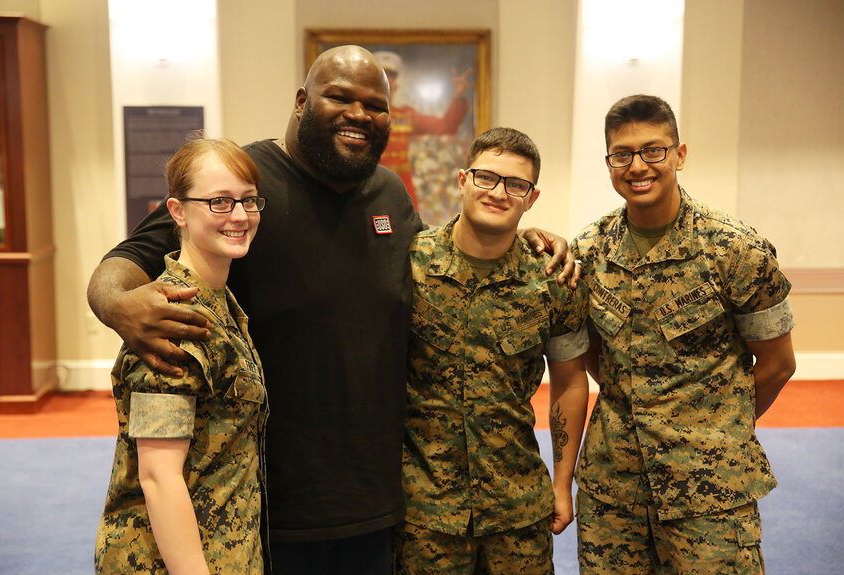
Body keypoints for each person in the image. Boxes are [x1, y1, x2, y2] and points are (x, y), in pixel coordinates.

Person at [87, 45, 575, 574]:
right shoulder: (247, 187)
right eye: (339, 97)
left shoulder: (389, 192)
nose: (359, 115)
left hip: (380, 501)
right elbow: (130, 257)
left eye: (375, 105)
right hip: (272, 506)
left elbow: (440, 259)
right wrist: (116, 303)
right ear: (301, 101)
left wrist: (517, 235)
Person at [571, 94, 797, 574]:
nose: (638, 166)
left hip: (710, 491)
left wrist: (718, 428)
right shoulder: (589, 251)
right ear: (608, 162)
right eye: (622, 154)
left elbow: (779, 363)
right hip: (614, 491)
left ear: (679, 154)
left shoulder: (736, 250)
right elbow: (597, 354)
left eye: (653, 150)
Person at [395, 127, 590, 574]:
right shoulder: (410, 265)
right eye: (487, 177)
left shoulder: (553, 280)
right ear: (463, 180)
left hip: (517, 509)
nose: (499, 192)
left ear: (531, 197)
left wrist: (563, 483)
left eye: (515, 184)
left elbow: (569, 380)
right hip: (425, 511)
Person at [94, 137, 268, 574]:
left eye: (249, 200)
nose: (240, 216)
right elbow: (158, 476)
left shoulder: (219, 303)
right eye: (219, 202)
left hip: (227, 549)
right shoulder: (171, 322)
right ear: (178, 212)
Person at [374, 50, 472, 210]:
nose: (388, 80)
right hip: (369, 184)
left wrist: (458, 97)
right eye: (382, 75)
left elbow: (446, 125)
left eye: (391, 76)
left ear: (396, 84)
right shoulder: (360, 114)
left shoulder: (407, 115)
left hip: (401, 188)